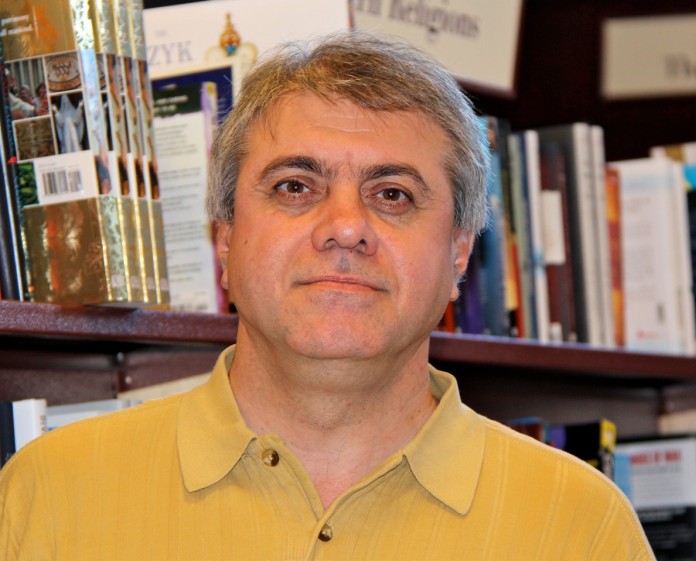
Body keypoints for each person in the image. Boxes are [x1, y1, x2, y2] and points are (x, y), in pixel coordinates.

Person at [0, 31, 656, 560]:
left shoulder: (581, 526)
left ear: (459, 251)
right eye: (295, 187)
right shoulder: (48, 494)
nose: (345, 227)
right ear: (225, 237)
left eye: (392, 194)